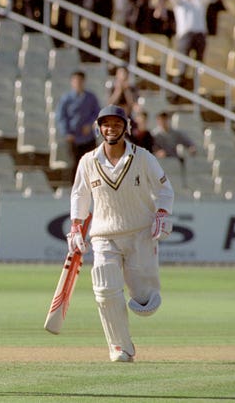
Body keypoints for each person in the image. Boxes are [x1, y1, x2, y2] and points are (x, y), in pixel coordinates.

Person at [68, 104, 174, 363]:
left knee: (145, 303)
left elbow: (165, 190)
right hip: (104, 235)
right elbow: (80, 195)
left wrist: (161, 213)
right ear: (99, 127)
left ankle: (145, 293)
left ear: (125, 127)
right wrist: (75, 227)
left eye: (116, 124)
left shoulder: (143, 157)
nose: (111, 129)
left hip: (139, 233)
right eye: (106, 124)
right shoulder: (88, 161)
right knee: (105, 288)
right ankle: (120, 347)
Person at [168, 0, 215, 88]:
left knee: (199, 68)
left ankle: (197, 91)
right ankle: (177, 93)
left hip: (200, 36)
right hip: (185, 36)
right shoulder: (180, 1)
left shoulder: (200, 0)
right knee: (182, 67)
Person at [56, 69, 101, 183]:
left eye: (80, 81)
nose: (78, 83)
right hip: (74, 137)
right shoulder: (66, 99)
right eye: (75, 81)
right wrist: (67, 132)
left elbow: (97, 113)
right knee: (75, 163)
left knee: (91, 162)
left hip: (88, 137)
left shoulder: (91, 98)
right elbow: (61, 116)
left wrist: (90, 124)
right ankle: (75, 187)